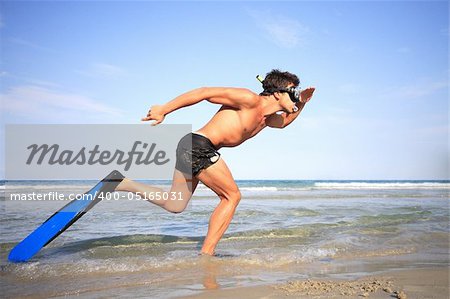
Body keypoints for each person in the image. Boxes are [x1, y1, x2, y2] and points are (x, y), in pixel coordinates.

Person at [115, 69, 315, 255]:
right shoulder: (248, 99)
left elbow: (286, 121)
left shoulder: (267, 119)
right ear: (278, 93)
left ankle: (122, 183)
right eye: (293, 91)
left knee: (174, 204)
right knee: (232, 196)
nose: (296, 96)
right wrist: (164, 109)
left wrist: (303, 103)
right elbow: (204, 92)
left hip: (193, 147)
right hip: (198, 146)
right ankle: (207, 255)